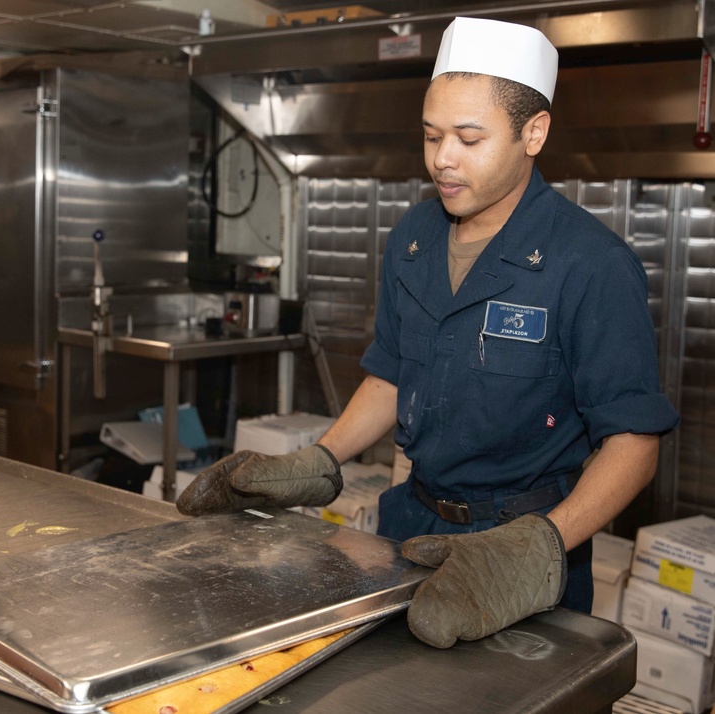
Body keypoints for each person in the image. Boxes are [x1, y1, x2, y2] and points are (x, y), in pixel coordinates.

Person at [176, 16, 680, 649]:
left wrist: (537, 546)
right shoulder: (414, 238)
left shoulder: (591, 264)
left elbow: (634, 442)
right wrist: (321, 457)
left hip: (522, 554)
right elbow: (393, 371)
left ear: (534, 133)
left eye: (469, 138)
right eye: (432, 134)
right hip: (410, 528)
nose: (443, 158)